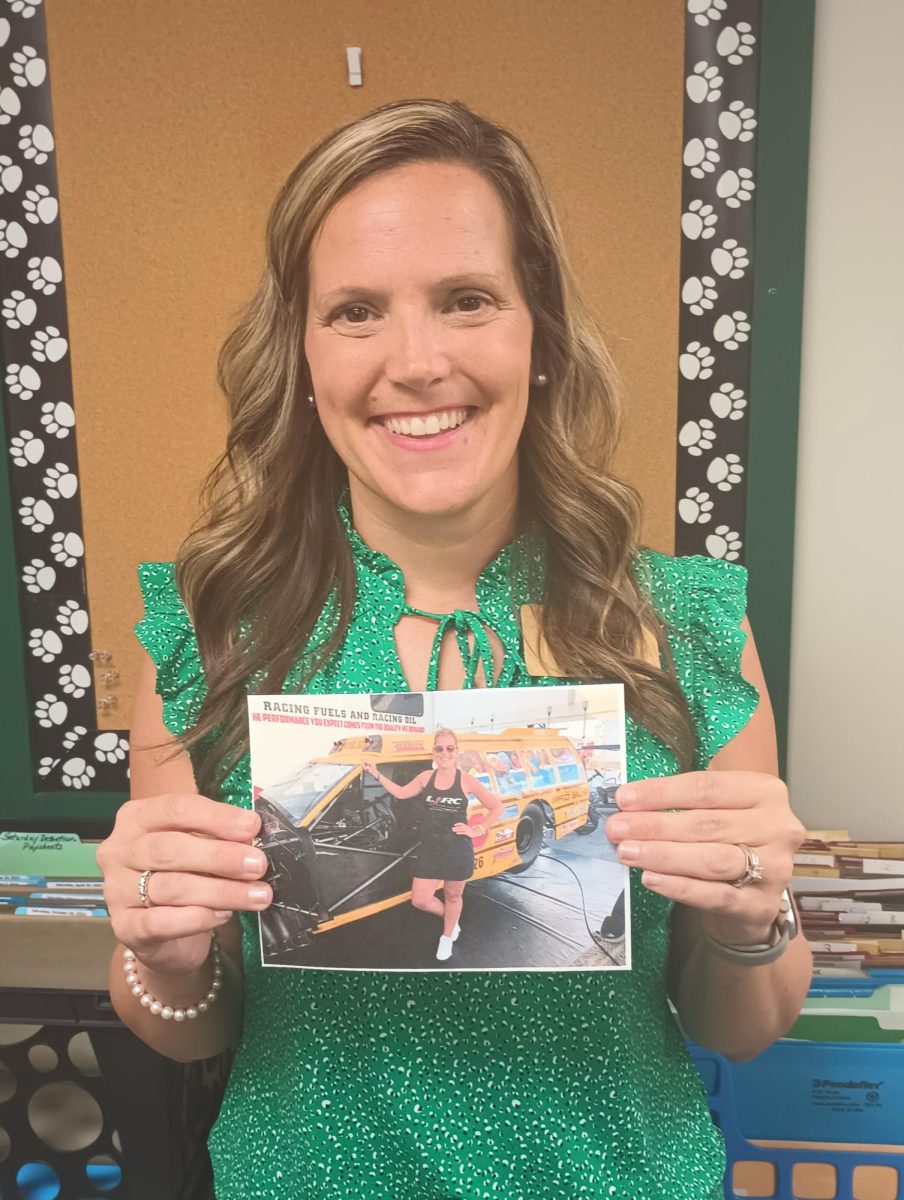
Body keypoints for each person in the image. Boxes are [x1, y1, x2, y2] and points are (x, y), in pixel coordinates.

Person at [97, 98, 812, 1200]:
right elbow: (192, 1037)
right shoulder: (210, 631)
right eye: (355, 312)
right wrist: (163, 953)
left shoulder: (684, 622)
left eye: (467, 300)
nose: (416, 360)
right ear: (300, 354)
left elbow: (743, 1029)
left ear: (541, 336)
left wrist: (751, 916)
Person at [363, 727, 503, 960]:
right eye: (439, 749)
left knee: (453, 897)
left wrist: (477, 828)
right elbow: (400, 793)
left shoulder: (467, 781)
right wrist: (377, 774)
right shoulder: (425, 778)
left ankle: (447, 936)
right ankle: (452, 920)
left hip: (457, 850)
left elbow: (496, 807)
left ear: (457, 751)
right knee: (420, 899)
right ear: (434, 752)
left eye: (450, 748)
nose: (444, 753)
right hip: (430, 849)